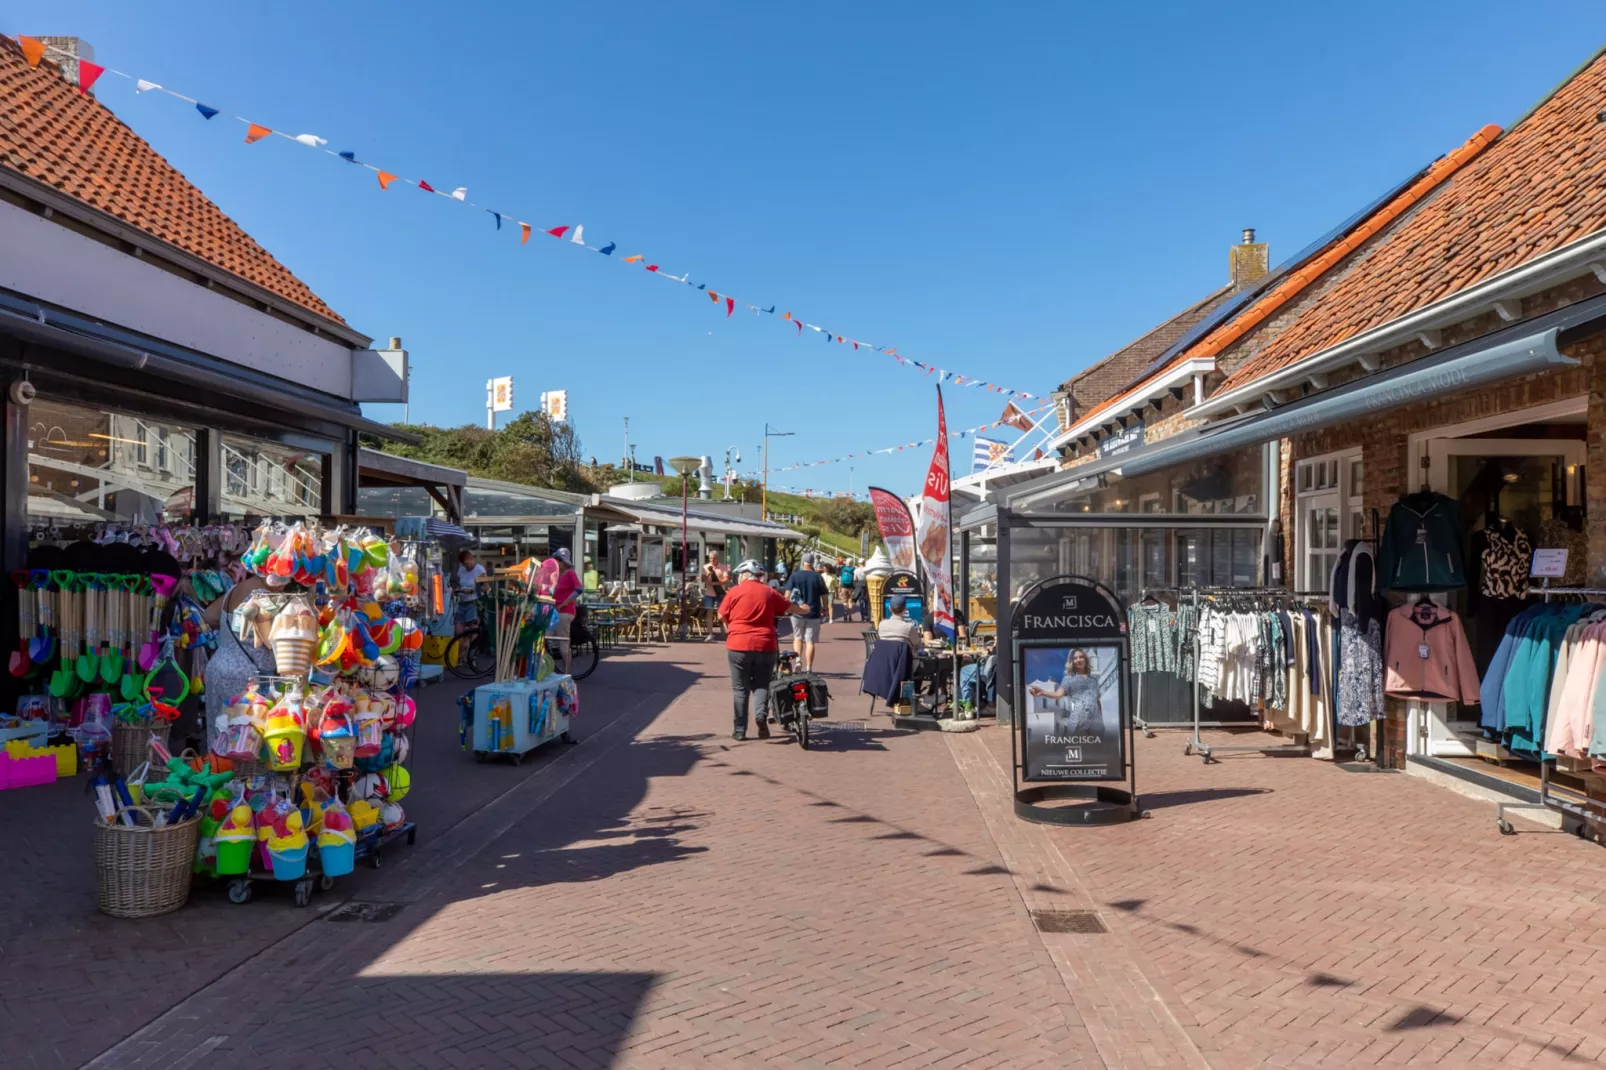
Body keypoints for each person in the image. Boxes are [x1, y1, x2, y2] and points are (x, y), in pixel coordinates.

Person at [719, 559, 809, 740]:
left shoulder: (734, 592)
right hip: (765, 645)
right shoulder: (769, 592)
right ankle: (760, 715)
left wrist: (731, 628)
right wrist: (804, 609)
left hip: (738, 645)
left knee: (740, 689)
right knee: (762, 684)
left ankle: (739, 730)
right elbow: (788, 607)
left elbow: (722, 614)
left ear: (745, 575)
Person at [1028, 649, 1102, 735]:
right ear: (1072, 662)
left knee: (1098, 746)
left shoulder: (1093, 681)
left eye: (1081, 657)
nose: (1078, 660)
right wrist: (1042, 692)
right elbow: (1058, 694)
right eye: (1075, 658)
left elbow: (1098, 700)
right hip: (1079, 718)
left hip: (1096, 721)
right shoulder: (1068, 679)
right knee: (1081, 744)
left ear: (1085, 659)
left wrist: (1100, 719)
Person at [539, 548, 583, 673]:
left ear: (564, 562)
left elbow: (579, 590)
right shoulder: (555, 575)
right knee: (544, 638)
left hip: (565, 611)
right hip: (553, 611)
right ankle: (547, 668)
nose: (557, 562)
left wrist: (564, 603)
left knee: (563, 642)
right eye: (556, 559)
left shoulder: (570, 573)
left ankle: (566, 672)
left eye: (559, 560)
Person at [785, 553, 829, 671]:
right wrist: (825, 609)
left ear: (802, 563)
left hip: (797, 612)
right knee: (810, 641)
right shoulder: (818, 577)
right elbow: (825, 596)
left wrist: (787, 608)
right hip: (813, 613)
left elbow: (787, 595)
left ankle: (798, 660)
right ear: (813, 563)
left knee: (798, 637)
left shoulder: (794, 576)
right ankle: (809, 668)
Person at [454, 549, 488, 635]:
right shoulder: (461, 570)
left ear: (471, 558)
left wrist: (472, 590)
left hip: (473, 603)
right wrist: (456, 590)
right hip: (461, 603)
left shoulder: (480, 570)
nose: (466, 567)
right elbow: (458, 585)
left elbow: (486, 588)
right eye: (464, 565)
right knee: (458, 631)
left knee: (472, 630)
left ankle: (472, 646)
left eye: (467, 564)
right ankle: (462, 645)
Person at [701, 550, 730, 642]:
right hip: (709, 593)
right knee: (709, 613)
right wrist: (705, 575)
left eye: (714, 558)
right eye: (710, 558)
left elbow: (726, 579)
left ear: (718, 558)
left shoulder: (722, 567)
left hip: (719, 593)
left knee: (722, 614)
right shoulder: (705, 567)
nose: (712, 560)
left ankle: (729, 632)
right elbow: (702, 579)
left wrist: (718, 583)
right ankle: (710, 634)